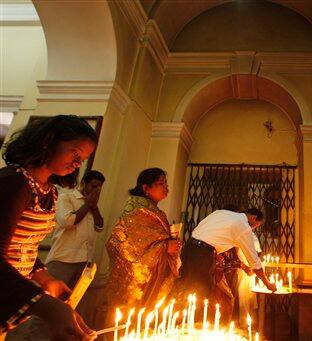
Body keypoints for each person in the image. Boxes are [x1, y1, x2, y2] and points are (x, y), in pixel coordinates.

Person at [0, 115, 97, 340]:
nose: (77, 163)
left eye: (82, 159)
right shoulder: (14, 183)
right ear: (49, 141)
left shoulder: (49, 191)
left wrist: (46, 279)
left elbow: (25, 246)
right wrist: (46, 306)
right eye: (75, 152)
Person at [106, 168, 182, 310]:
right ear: (146, 188)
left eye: (166, 183)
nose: (166, 187)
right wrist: (165, 246)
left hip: (154, 271)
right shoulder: (137, 210)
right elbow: (133, 243)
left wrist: (170, 243)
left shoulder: (154, 210)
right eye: (161, 183)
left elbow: (155, 237)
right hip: (136, 276)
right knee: (131, 313)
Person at [177, 208, 276, 308]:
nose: (254, 228)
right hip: (202, 255)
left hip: (189, 247)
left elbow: (206, 232)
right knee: (200, 290)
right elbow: (254, 261)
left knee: (184, 285)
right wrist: (267, 283)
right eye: (256, 225)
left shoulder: (222, 213)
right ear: (254, 218)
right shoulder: (243, 226)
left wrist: (215, 253)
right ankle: (193, 320)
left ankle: (178, 317)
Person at [46, 170, 106, 289]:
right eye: (94, 186)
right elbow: (67, 222)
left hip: (84, 262)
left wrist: (94, 208)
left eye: (100, 187)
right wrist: (88, 204)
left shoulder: (92, 205)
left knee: (73, 302)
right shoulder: (66, 198)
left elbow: (100, 227)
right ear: (84, 183)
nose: (97, 190)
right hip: (63, 259)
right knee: (52, 298)